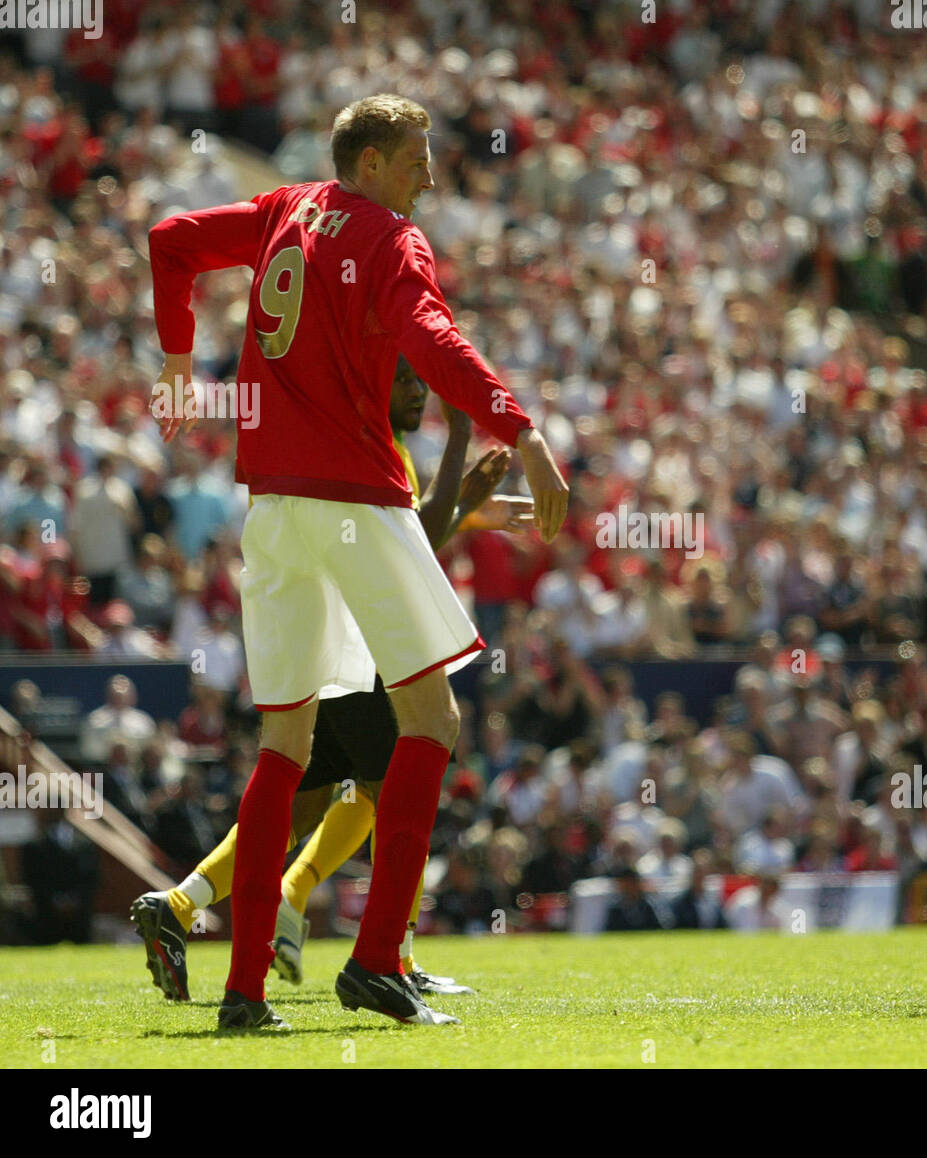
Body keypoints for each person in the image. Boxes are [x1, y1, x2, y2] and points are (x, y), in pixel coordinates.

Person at [147, 93, 567, 1029]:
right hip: (353, 496)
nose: (430, 171)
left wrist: (179, 367)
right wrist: (522, 429)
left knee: (284, 747)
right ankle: (378, 960)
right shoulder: (389, 237)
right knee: (432, 719)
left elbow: (169, 239)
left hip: (272, 509)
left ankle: (245, 994)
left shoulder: (278, 211)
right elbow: (434, 341)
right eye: (417, 154)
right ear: (370, 162)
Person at [131, 356, 534, 1008]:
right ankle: (390, 956)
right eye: (405, 381)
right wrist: (461, 450)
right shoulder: (376, 447)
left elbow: (404, 531)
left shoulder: (356, 442)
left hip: (325, 639)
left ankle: (181, 904)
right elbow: (413, 538)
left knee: (305, 801)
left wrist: (469, 509)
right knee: (390, 784)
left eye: (420, 384)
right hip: (364, 647)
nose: (416, 394)